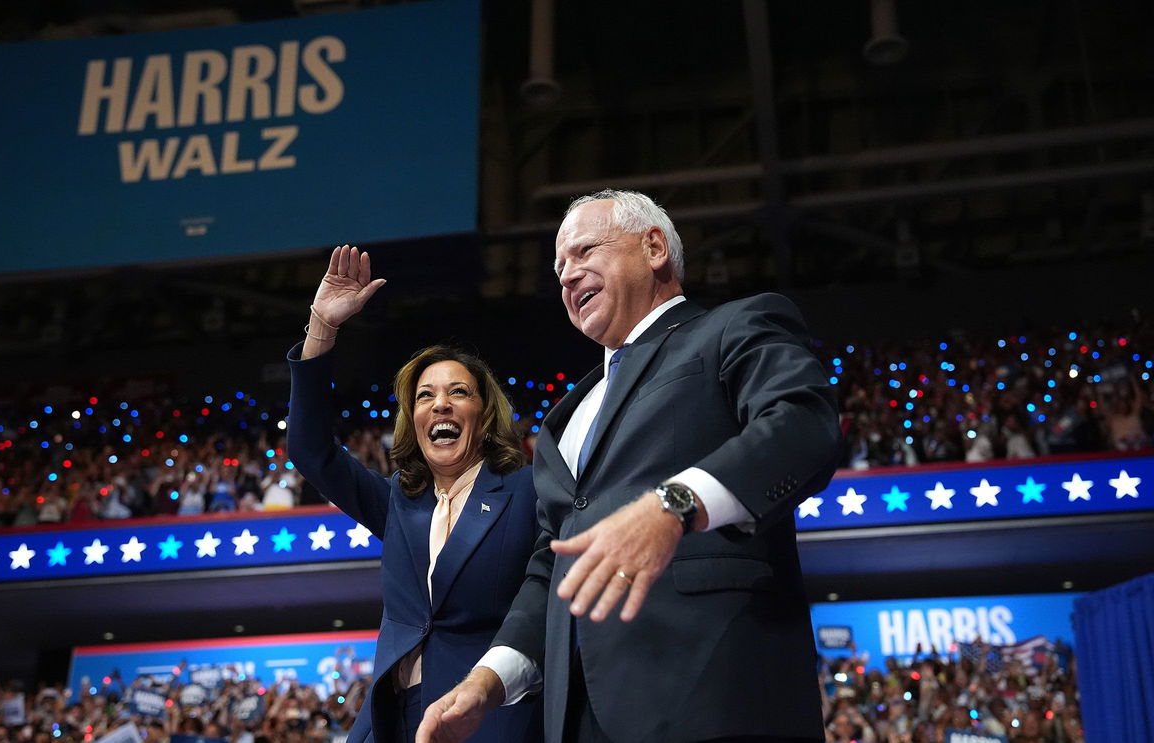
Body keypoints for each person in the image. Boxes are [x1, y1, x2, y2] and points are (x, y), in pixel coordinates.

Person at [418, 190, 842, 743]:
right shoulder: (561, 421)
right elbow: (553, 566)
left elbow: (803, 425)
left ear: (654, 247)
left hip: (711, 699)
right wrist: (488, 680)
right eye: (558, 267)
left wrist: (673, 506)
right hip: (577, 717)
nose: (567, 276)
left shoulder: (732, 328)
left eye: (585, 251)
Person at [287, 245, 542, 743]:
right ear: (413, 419)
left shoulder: (527, 491)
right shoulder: (398, 502)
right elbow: (310, 449)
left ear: (485, 415)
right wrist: (322, 327)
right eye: (425, 395)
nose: (440, 404)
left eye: (459, 392)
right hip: (390, 719)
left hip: (484, 720)